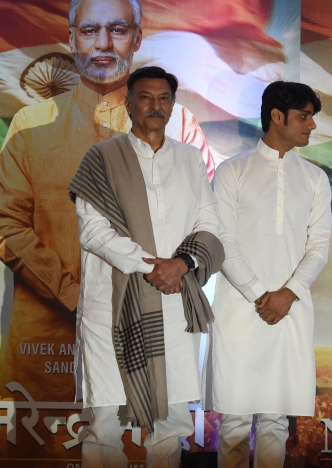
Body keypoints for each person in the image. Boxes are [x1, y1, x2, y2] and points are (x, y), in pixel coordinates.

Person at [0, 0, 214, 401]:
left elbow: (204, 225)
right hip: (48, 333)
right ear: (71, 37)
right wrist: (74, 296)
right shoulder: (30, 125)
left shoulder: (179, 125)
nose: (104, 43)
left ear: (137, 38)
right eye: (90, 31)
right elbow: (8, 227)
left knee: (150, 444)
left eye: (118, 29)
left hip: (151, 321)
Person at [68, 66, 221, 467]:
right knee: (105, 421)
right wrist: (153, 267)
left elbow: (209, 223)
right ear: (129, 103)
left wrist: (182, 264)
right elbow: (93, 231)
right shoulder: (101, 157)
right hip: (114, 308)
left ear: (173, 105)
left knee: (171, 421)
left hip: (173, 305)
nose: (156, 106)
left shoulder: (190, 159)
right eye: (146, 97)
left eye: (164, 98)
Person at [205, 81, 331, 468]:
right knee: (235, 422)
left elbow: (319, 247)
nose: (311, 125)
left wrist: (287, 294)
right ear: (277, 117)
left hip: (290, 311)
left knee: (277, 419)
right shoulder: (232, 171)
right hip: (239, 311)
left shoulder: (315, 178)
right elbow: (221, 240)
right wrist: (262, 294)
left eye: (312, 117)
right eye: (304, 116)